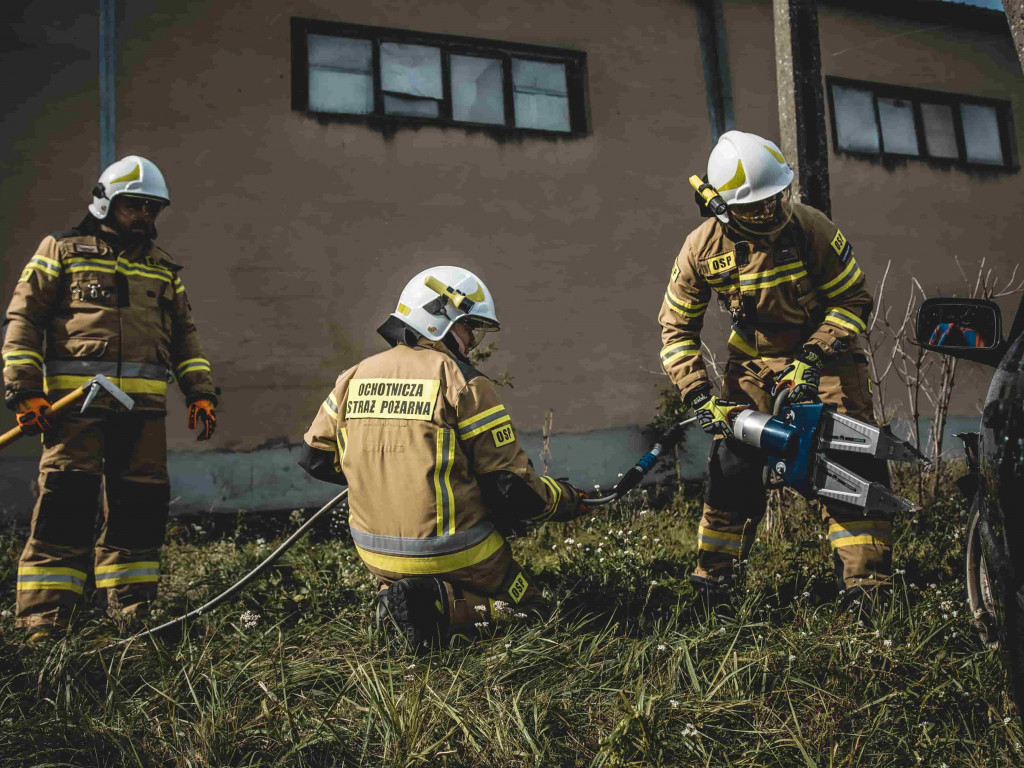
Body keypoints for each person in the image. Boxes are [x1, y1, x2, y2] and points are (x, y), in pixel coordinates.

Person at [658, 130, 891, 608]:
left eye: (774, 199)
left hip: (823, 357)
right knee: (732, 468)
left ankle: (865, 588)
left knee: (849, 459)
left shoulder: (811, 228)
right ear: (722, 207)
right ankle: (713, 586)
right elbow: (676, 331)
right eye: (754, 207)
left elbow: (853, 300)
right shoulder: (700, 248)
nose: (768, 213)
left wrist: (813, 355)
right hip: (752, 365)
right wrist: (701, 397)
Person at [299, 266, 587, 650]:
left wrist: (378, 474)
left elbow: (316, 459)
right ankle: (439, 610)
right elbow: (512, 487)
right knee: (531, 607)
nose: (472, 341)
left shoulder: (353, 376)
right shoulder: (462, 381)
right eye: (468, 327)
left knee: (423, 576)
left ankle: (412, 596)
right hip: (455, 550)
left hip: (373, 552)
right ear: (440, 321)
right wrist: (565, 500)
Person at [2, 156, 217, 640]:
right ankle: (45, 618)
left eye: (152, 208)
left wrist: (200, 393)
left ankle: (131, 607)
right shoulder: (62, 252)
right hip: (72, 412)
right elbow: (22, 322)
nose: (144, 216)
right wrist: (24, 392)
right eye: (134, 206)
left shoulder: (164, 270)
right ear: (105, 203)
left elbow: (186, 338)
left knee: (140, 510)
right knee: (65, 505)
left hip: (143, 416)